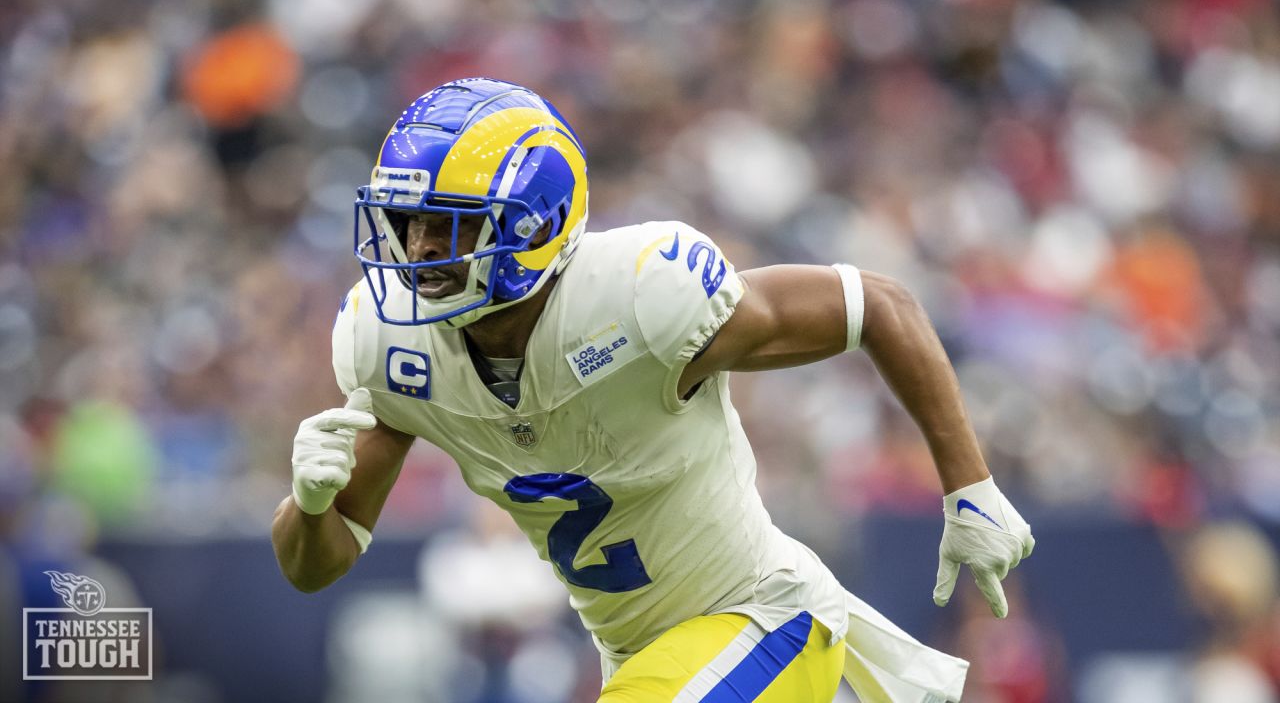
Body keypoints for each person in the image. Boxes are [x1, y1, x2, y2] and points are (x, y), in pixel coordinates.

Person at [271, 77, 1035, 703]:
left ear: (533, 225)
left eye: (449, 224)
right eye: (408, 223)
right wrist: (307, 505)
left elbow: (878, 305)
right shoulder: (390, 344)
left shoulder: (640, 298)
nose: (419, 250)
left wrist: (969, 486)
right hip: (642, 662)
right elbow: (314, 566)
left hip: (762, 616)